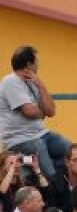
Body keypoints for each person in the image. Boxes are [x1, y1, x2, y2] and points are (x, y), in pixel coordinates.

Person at [0, 45, 70, 182]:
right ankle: (53, 188)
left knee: (71, 151)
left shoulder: (33, 83)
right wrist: (42, 111)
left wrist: (41, 85)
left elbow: (51, 111)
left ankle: (61, 181)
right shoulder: (11, 81)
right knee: (46, 164)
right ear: (29, 64)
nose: (38, 65)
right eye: (36, 62)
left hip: (42, 134)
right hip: (19, 139)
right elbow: (29, 112)